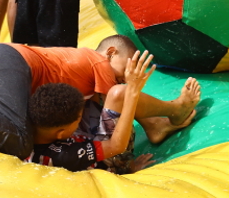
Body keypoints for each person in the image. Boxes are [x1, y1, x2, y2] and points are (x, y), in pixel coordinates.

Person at [0, 35, 200, 160]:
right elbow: (116, 100)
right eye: (122, 68)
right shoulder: (98, 62)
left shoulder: (83, 75)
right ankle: (172, 111)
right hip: (8, 63)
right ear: (111, 52)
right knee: (19, 142)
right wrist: (141, 92)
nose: (121, 76)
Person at [24, 53, 167, 173]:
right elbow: (116, 146)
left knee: (93, 87)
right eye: (78, 119)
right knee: (119, 94)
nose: (80, 119)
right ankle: (172, 111)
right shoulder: (65, 155)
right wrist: (133, 92)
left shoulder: (29, 129)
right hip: (110, 159)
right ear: (61, 133)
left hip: (76, 143)